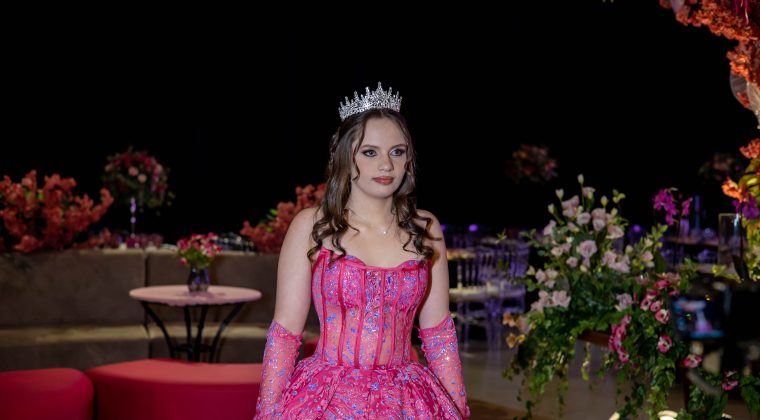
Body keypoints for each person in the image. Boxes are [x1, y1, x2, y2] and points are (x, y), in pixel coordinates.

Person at [254, 83, 470, 419]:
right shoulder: (312, 226)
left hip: (407, 401)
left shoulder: (426, 228)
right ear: (345, 156)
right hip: (326, 400)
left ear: (408, 159)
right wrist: (268, 413)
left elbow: (438, 334)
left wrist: (458, 410)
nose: (386, 165)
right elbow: (285, 333)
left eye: (397, 152)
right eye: (370, 152)